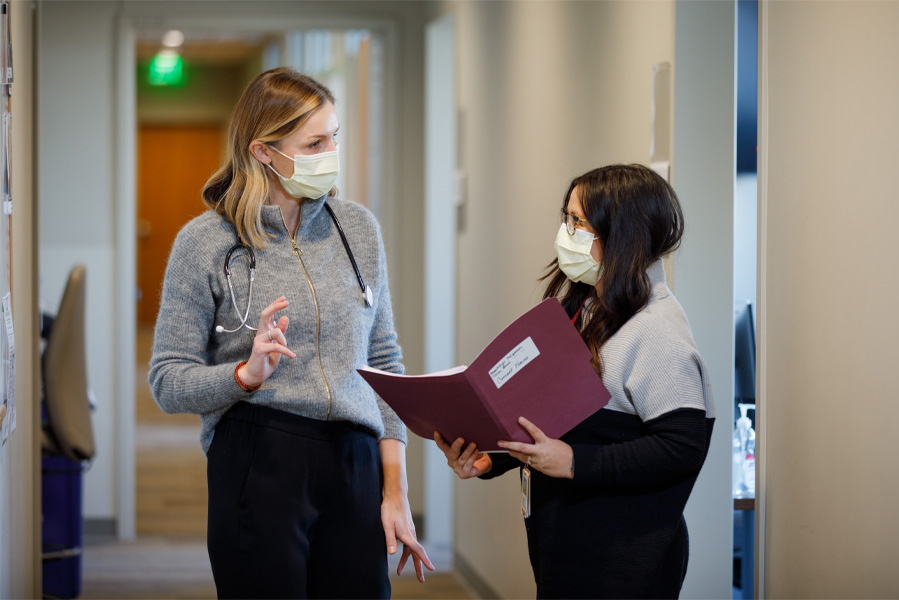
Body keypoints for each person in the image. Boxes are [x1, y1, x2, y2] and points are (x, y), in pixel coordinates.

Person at [149, 67, 432, 599]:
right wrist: (244, 375)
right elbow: (167, 380)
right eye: (315, 142)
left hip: (356, 461)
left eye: (335, 137)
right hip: (260, 458)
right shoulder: (205, 242)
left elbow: (385, 362)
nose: (331, 151)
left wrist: (395, 491)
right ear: (262, 151)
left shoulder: (358, 229)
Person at [435, 164, 715, 599]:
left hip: (623, 562)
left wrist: (572, 463)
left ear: (622, 234)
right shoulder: (585, 307)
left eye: (578, 222)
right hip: (567, 547)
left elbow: (681, 447)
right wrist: (493, 458)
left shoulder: (656, 329)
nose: (566, 233)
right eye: (566, 218)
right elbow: (558, 418)